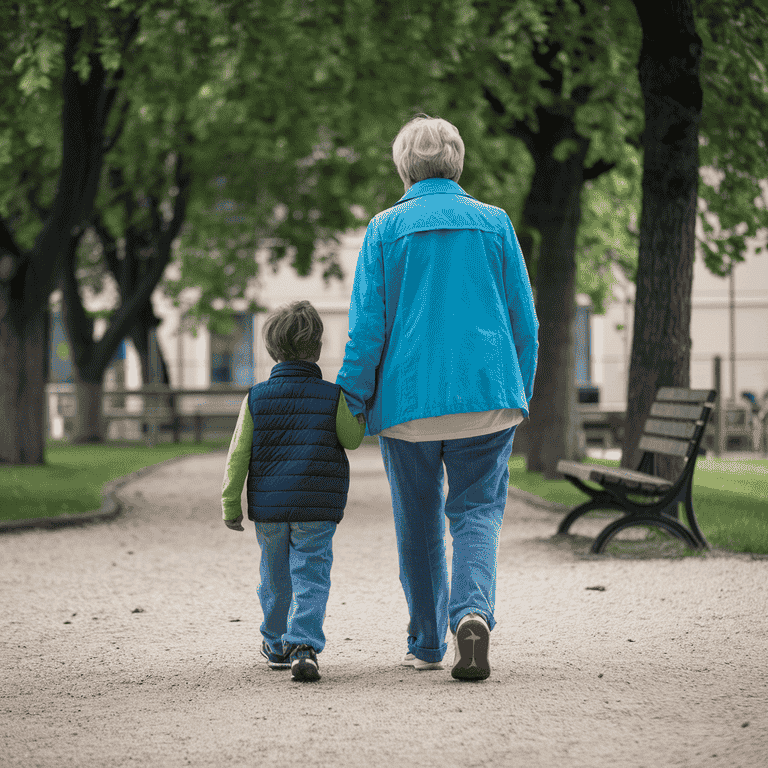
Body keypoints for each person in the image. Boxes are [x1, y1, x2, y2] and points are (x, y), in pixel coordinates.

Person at [336, 114, 538, 681]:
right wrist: (519, 390)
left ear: (404, 168)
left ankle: (426, 641)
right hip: (487, 395)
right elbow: (526, 322)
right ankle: (471, 615)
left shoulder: (383, 229)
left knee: (418, 520)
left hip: (408, 404)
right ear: (458, 163)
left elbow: (366, 330)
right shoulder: (495, 224)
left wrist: (351, 398)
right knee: (476, 513)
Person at [221, 300, 365, 682]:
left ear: (271, 350)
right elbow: (352, 440)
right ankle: (303, 644)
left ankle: (274, 643)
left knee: (274, 575)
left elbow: (238, 455)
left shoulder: (256, 397)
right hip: (317, 504)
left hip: (270, 508)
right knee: (311, 574)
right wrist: (359, 412)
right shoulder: (332, 396)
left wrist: (229, 504)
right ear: (317, 348)